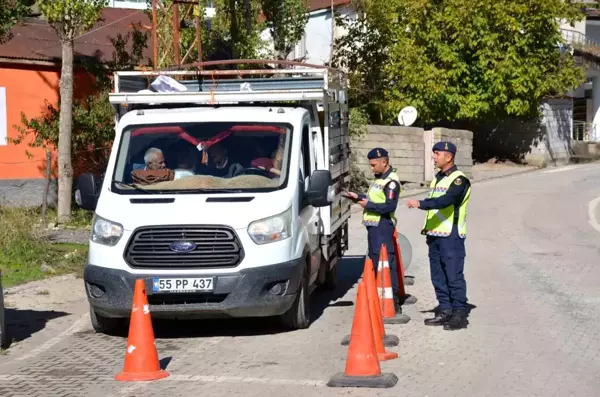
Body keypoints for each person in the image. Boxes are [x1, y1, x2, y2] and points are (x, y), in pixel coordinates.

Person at [406, 141, 472, 331]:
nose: (433, 157)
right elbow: (434, 202)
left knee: (453, 276)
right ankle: (444, 310)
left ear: (449, 156)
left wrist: (420, 203)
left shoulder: (459, 180)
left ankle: (459, 315)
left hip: (451, 236)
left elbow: (446, 201)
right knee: (438, 276)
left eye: (437, 154)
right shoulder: (438, 178)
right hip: (435, 236)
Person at [345, 147, 403, 311]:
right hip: (374, 227)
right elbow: (374, 198)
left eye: (373, 165)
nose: (371, 168)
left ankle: (393, 301)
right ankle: (381, 296)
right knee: (376, 261)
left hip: (382, 226)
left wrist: (368, 205)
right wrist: (359, 198)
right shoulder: (379, 179)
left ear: (384, 162)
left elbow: (390, 206)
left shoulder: (391, 182)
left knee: (384, 262)